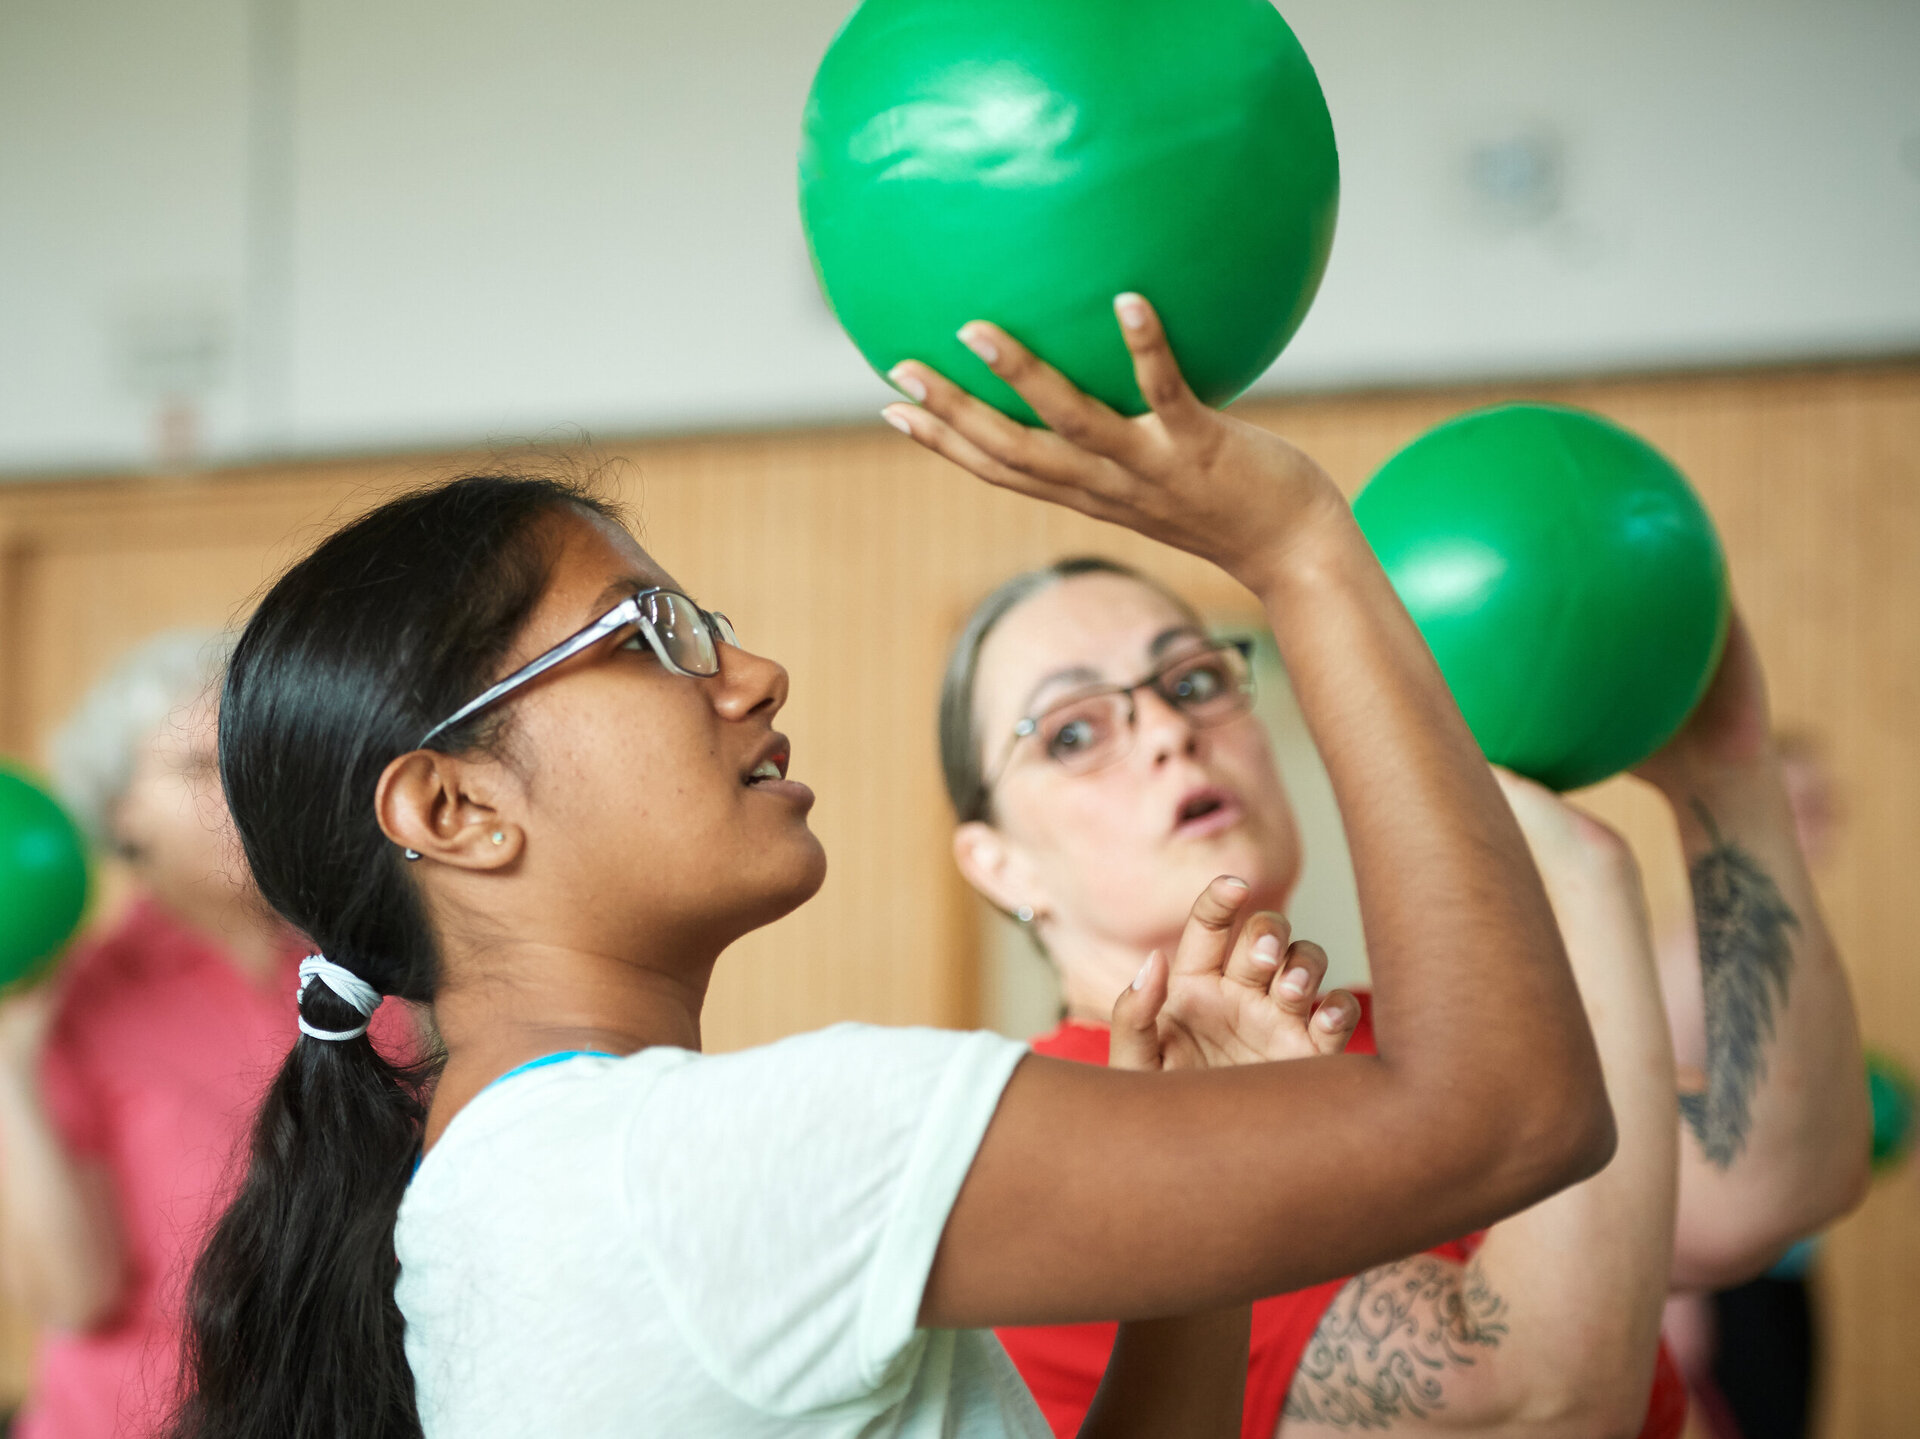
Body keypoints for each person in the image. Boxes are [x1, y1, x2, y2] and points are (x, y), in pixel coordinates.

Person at [167, 297, 1616, 1439]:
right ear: (456, 806)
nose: (752, 673)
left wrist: (1203, 1210)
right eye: (650, 637)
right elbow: (1509, 1114)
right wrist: (1300, 546)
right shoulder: (714, 1169)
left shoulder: (526, 1186)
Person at [927, 568, 1868, 1429]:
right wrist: (1576, 860)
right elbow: (1538, 1404)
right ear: (997, 862)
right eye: (1074, 733)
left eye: (1194, 682)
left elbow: (1773, 1181)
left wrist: (1730, 770)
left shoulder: (1430, 1042)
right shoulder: (1057, 1146)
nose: (1173, 732)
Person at [0, 633, 308, 1438]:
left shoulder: (378, 981)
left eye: (255, 755)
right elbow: (73, 1295)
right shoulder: (73, 1005)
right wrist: (8, 1060)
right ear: (119, 811)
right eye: (200, 769)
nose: (244, 790)